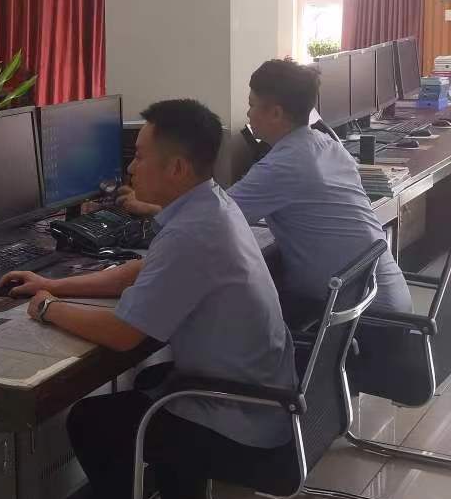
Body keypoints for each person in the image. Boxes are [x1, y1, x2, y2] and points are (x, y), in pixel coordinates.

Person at [2, 99, 297, 499]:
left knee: (93, 422)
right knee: (155, 380)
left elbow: (124, 334)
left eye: (139, 156)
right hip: (260, 397)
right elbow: (139, 271)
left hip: (242, 418)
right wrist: (53, 284)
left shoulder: (191, 233)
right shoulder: (211, 206)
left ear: (177, 167)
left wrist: (48, 309)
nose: (130, 167)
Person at [114, 59, 410, 323]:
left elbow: (213, 218)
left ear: (276, 113)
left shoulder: (286, 164)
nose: (248, 113)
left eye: (252, 104)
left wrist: (146, 206)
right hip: (382, 297)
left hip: (366, 320)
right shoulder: (326, 146)